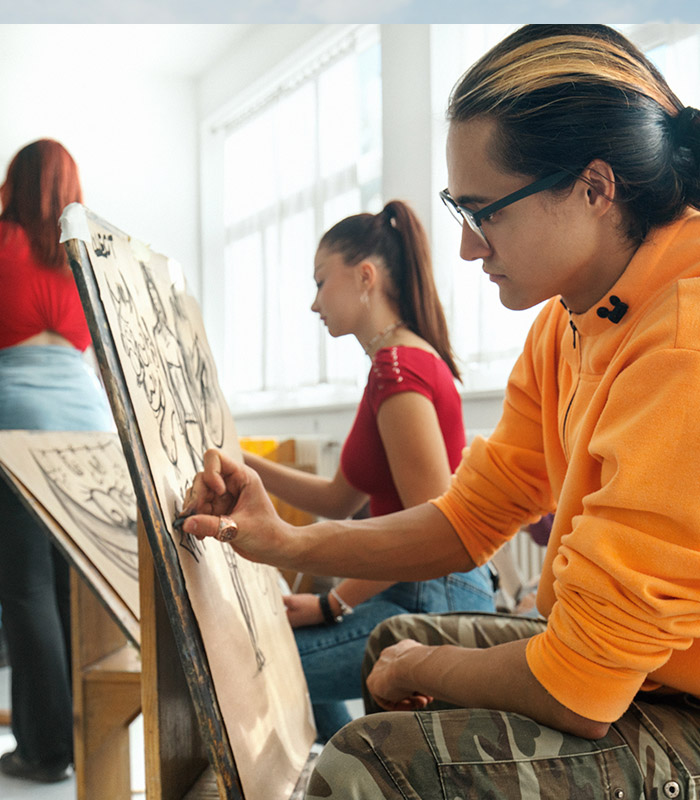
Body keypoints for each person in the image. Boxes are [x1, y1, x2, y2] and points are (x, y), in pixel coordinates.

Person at [180, 24, 700, 798]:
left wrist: (424, 666)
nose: (466, 248)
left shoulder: (680, 337)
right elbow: (464, 519)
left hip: (672, 700)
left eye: (485, 211)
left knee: (365, 754)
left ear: (595, 188)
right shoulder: (567, 324)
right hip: (646, 674)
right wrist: (287, 538)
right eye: (459, 209)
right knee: (393, 641)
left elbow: (581, 688)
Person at [242, 199, 495, 742]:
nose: (314, 304)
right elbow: (338, 498)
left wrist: (332, 604)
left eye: (319, 282)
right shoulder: (394, 362)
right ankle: (328, 771)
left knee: (250, 677)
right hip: (419, 588)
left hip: (436, 595)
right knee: (276, 677)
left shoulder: (397, 368)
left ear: (364, 277)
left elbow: (433, 525)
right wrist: (244, 463)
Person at [0, 139, 113, 783]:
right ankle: (78, 737)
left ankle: (44, 751)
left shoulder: (2, 242)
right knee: (74, 594)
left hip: (14, 422)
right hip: (88, 429)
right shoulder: (86, 254)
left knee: (24, 591)